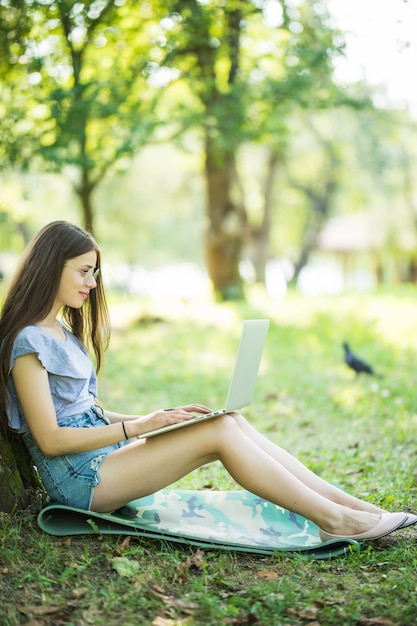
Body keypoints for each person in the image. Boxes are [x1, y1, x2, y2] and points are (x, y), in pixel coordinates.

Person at [0, 221, 415, 543]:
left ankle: (356, 508)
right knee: (217, 430)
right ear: (52, 267)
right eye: (84, 272)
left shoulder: (61, 332)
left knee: (227, 420)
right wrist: (136, 429)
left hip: (103, 459)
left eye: (95, 272)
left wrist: (156, 418)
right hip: (80, 481)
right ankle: (335, 521)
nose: (92, 283)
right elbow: (52, 439)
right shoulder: (27, 343)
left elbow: (86, 411)